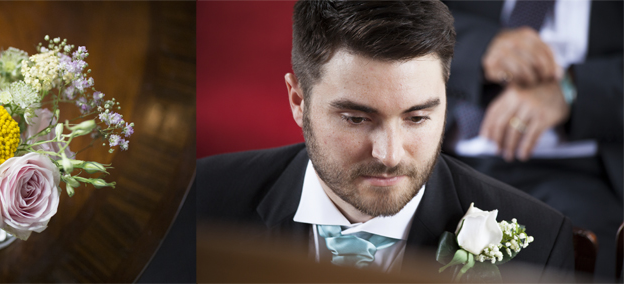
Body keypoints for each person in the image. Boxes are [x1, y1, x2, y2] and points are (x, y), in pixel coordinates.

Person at [195, 1, 574, 281]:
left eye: (417, 118)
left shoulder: (538, 244)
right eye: (357, 118)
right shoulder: (199, 200)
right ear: (298, 101)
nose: (389, 155)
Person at [442, 1, 622, 279]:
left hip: (584, 173)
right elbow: (379, 11)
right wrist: (477, 46)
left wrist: (575, 91)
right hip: (445, 157)